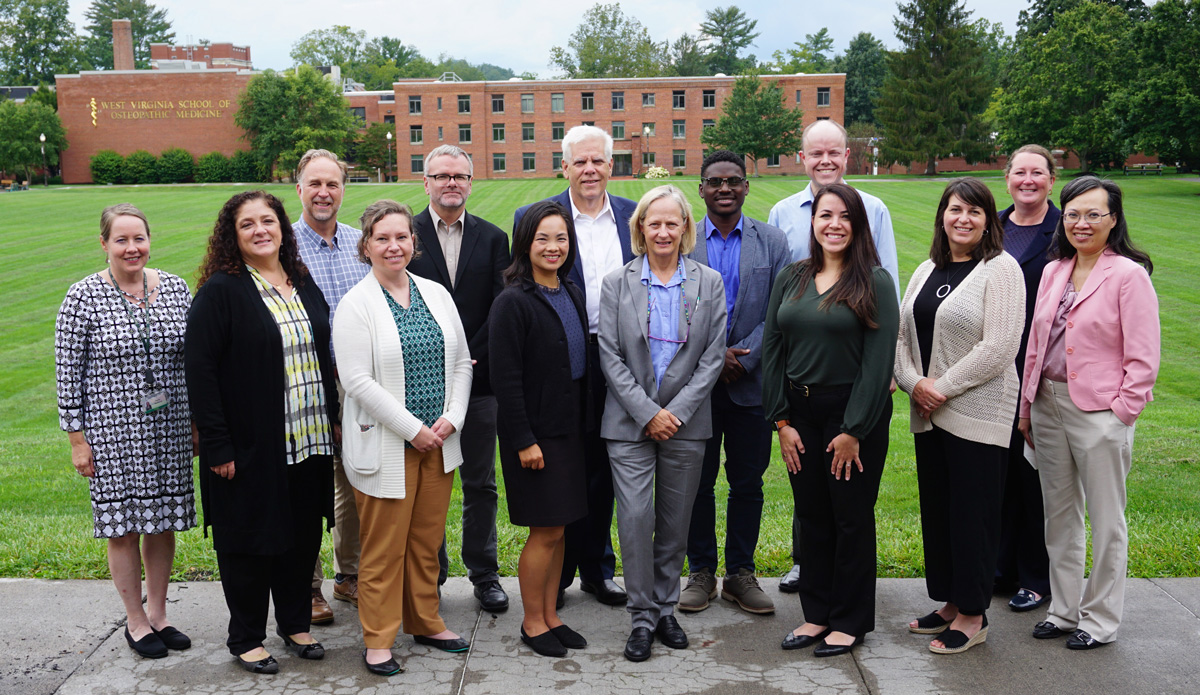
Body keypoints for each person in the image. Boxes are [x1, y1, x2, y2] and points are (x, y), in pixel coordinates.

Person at [185, 191, 337, 674]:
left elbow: (322, 354)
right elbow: (201, 372)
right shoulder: (221, 291)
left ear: (281, 227)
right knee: (248, 542)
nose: (259, 231)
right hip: (250, 445)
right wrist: (217, 444)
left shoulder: (301, 280)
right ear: (232, 236)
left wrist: (335, 419)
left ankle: (295, 624)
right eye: (247, 224)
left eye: (267, 221)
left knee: (300, 537)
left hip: (310, 439)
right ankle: (246, 637)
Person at [334, 200, 475, 675]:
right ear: (366, 246)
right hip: (387, 446)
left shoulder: (435, 293)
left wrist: (453, 417)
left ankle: (426, 621)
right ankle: (378, 639)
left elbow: (462, 361)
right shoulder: (356, 304)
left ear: (414, 243)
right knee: (383, 548)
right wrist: (412, 429)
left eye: (401, 237)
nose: (393, 246)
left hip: (439, 443)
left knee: (425, 542)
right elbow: (357, 380)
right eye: (382, 238)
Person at [1018, 177, 1159, 650]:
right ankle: (1063, 610)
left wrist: (1122, 413)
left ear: (1113, 219)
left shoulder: (1128, 275)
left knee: (1106, 520)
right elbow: (1036, 344)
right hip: (1048, 406)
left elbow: (1144, 358)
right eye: (1074, 214)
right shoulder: (1054, 270)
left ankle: (1099, 620)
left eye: (1094, 214)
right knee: (1059, 517)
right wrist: (1027, 408)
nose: (1082, 223)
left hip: (1101, 414)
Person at [55, 204, 197, 659]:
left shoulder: (175, 288)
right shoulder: (82, 297)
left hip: (170, 428)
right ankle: (135, 621)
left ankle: (159, 614)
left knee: (163, 521)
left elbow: (194, 358)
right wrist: (77, 440)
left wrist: (197, 422)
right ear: (104, 244)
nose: (132, 248)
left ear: (149, 240)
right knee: (123, 528)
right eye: (121, 240)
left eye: (139, 238)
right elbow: (67, 374)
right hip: (113, 433)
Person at [764, 183, 899, 657]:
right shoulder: (792, 277)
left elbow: (878, 363)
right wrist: (781, 421)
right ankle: (816, 614)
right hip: (799, 414)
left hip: (852, 414)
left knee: (850, 517)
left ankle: (849, 620)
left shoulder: (875, 281)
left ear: (858, 224)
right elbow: (773, 348)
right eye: (825, 215)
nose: (834, 224)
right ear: (813, 222)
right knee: (812, 516)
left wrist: (853, 430)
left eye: (844, 216)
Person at [895, 178, 1025, 655]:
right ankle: (952, 601)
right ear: (942, 216)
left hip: (976, 413)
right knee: (941, 514)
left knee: (974, 517)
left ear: (989, 220)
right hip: (929, 414)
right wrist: (914, 383)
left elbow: (1000, 346)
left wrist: (940, 388)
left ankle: (973, 615)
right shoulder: (927, 268)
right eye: (955, 209)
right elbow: (900, 337)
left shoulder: (1002, 269)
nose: (963, 219)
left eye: (974, 211)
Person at [597, 185, 726, 662]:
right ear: (640, 229)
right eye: (655, 223)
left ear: (685, 227)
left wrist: (675, 413)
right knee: (635, 519)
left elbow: (713, 357)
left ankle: (666, 609)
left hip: (686, 424)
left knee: (675, 523)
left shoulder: (709, 282)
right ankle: (641, 616)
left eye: (673, 223)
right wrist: (648, 413)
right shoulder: (617, 282)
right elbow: (609, 355)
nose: (664, 231)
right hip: (628, 423)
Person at [513, 125, 637, 608]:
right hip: (561, 358)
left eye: (598, 161)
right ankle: (556, 578)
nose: (589, 170)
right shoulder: (538, 218)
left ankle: (598, 569)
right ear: (563, 166)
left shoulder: (632, 216)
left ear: (611, 165)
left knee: (604, 467)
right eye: (579, 161)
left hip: (621, 356)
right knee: (566, 467)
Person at [680, 150, 791, 616]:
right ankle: (701, 572)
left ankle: (741, 574)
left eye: (733, 181)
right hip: (695, 389)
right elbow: (669, 309)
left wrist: (743, 357)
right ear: (701, 189)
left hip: (752, 383)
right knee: (697, 484)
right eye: (715, 181)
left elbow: (780, 309)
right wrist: (713, 358)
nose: (724, 188)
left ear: (746, 186)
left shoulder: (772, 241)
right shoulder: (682, 241)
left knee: (747, 483)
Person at [407, 145, 512, 614]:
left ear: (471, 182)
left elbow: (500, 305)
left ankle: (484, 574)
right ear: (426, 181)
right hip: (421, 384)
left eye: (460, 176)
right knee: (427, 485)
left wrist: (468, 359)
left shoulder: (493, 239)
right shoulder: (405, 234)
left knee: (480, 482)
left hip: (480, 379)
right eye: (442, 175)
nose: (451, 183)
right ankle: (430, 574)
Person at [489, 201, 590, 658]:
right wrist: (524, 440)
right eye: (543, 238)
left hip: (570, 428)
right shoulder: (512, 302)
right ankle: (532, 622)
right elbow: (505, 379)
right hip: (535, 436)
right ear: (525, 244)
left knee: (560, 528)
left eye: (561, 238)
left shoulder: (570, 291)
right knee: (544, 531)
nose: (553, 247)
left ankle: (552, 615)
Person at [292, 149, 371, 624]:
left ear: (343, 189)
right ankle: (308, 586)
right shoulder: (282, 247)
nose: (324, 193)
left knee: (354, 481)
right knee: (305, 485)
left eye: (333, 184)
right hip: (302, 383)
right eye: (315, 184)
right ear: (299, 188)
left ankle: (350, 575)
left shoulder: (362, 244)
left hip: (356, 383)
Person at [994, 145, 1061, 613]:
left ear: (1052, 180)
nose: (1028, 180)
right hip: (991, 368)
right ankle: (1001, 568)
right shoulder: (991, 227)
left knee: (1033, 474)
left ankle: (1035, 577)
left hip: (1038, 366)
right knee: (998, 473)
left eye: (1038, 172)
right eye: (1020, 172)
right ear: (1008, 178)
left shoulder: (1064, 230)